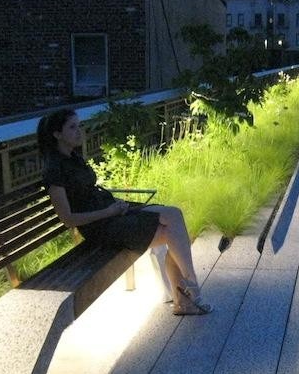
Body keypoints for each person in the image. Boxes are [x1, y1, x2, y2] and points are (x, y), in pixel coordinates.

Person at [37, 108, 211, 315]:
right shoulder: (53, 170)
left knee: (174, 215)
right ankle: (189, 294)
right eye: (72, 127)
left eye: (79, 126)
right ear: (57, 134)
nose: (79, 131)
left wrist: (115, 207)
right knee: (172, 232)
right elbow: (68, 219)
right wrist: (109, 212)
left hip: (112, 214)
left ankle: (185, 298)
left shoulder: (73, 158)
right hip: (101, 228)